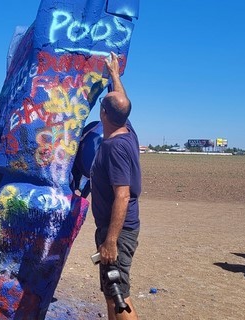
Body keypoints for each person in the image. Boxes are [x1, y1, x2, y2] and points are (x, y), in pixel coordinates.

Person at [90, 52, 141, 320]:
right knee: (112, 293)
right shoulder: (128, 132)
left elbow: (123, 195)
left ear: (103, 114)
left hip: (117, 231)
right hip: (115, 228)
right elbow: (122, 104)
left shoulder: (114, 148)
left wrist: (110, 241)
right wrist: (115, 76)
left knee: (120, 295)